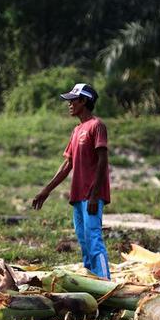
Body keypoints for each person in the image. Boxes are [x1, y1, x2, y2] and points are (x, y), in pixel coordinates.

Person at [32, 83, 111, 279]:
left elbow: (103, 161)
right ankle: (91, 280)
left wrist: (94, 195)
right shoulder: (77, 131)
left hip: (92, 196)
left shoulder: (96, 126)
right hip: (77, 196)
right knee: (84, 241)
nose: (69, 104)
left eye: (72, 101)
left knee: (94, 239)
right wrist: (46, 190)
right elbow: (67, 165)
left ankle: (106, 282)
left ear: (84, 101)